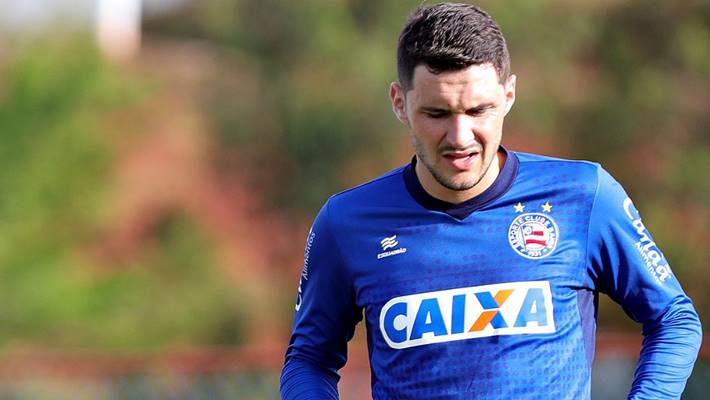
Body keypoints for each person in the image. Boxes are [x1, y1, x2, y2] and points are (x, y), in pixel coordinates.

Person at [279, 3, 702, 399]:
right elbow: (308, 360)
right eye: (437, 114)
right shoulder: (347, 223)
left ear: (508, 95)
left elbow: (673, 320)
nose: (460, 137)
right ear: (399, 103)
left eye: (478, 111)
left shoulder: (583, 196)